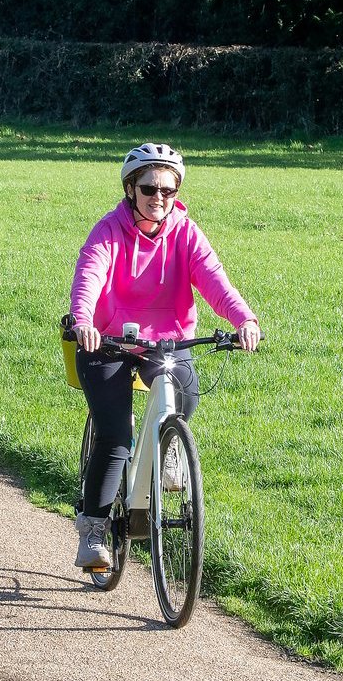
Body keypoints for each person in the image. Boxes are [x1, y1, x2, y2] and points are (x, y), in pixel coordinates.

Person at [64, 143, 261, 571]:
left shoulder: (186, 233)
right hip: (107, 343)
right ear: (131, 188)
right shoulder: (108, 230)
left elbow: (214, 281)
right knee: (115, 436)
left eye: (168, 191)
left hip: (166, 342)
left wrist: (244, 319)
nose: (159, 198)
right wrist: (83, 321)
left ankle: (170, 445)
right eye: (150, 188)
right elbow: (90, 274)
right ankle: (94, 529)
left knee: (183, 395)